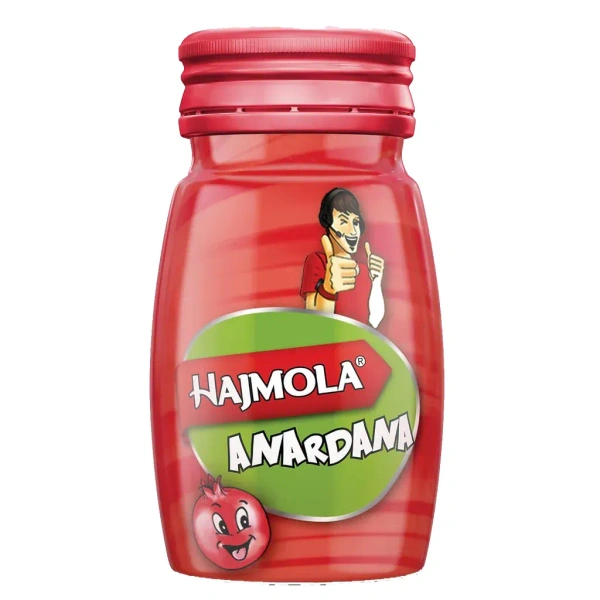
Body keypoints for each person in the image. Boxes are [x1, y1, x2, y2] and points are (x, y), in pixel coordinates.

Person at [299, 188, 385, 328]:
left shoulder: (364, 270)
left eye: (355, 222)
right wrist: (328, 289)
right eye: (343, 221)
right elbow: (314, 323)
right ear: (328, 223)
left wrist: (376, 282)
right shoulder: (318, 261)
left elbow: (375, 320)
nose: (352, 231)